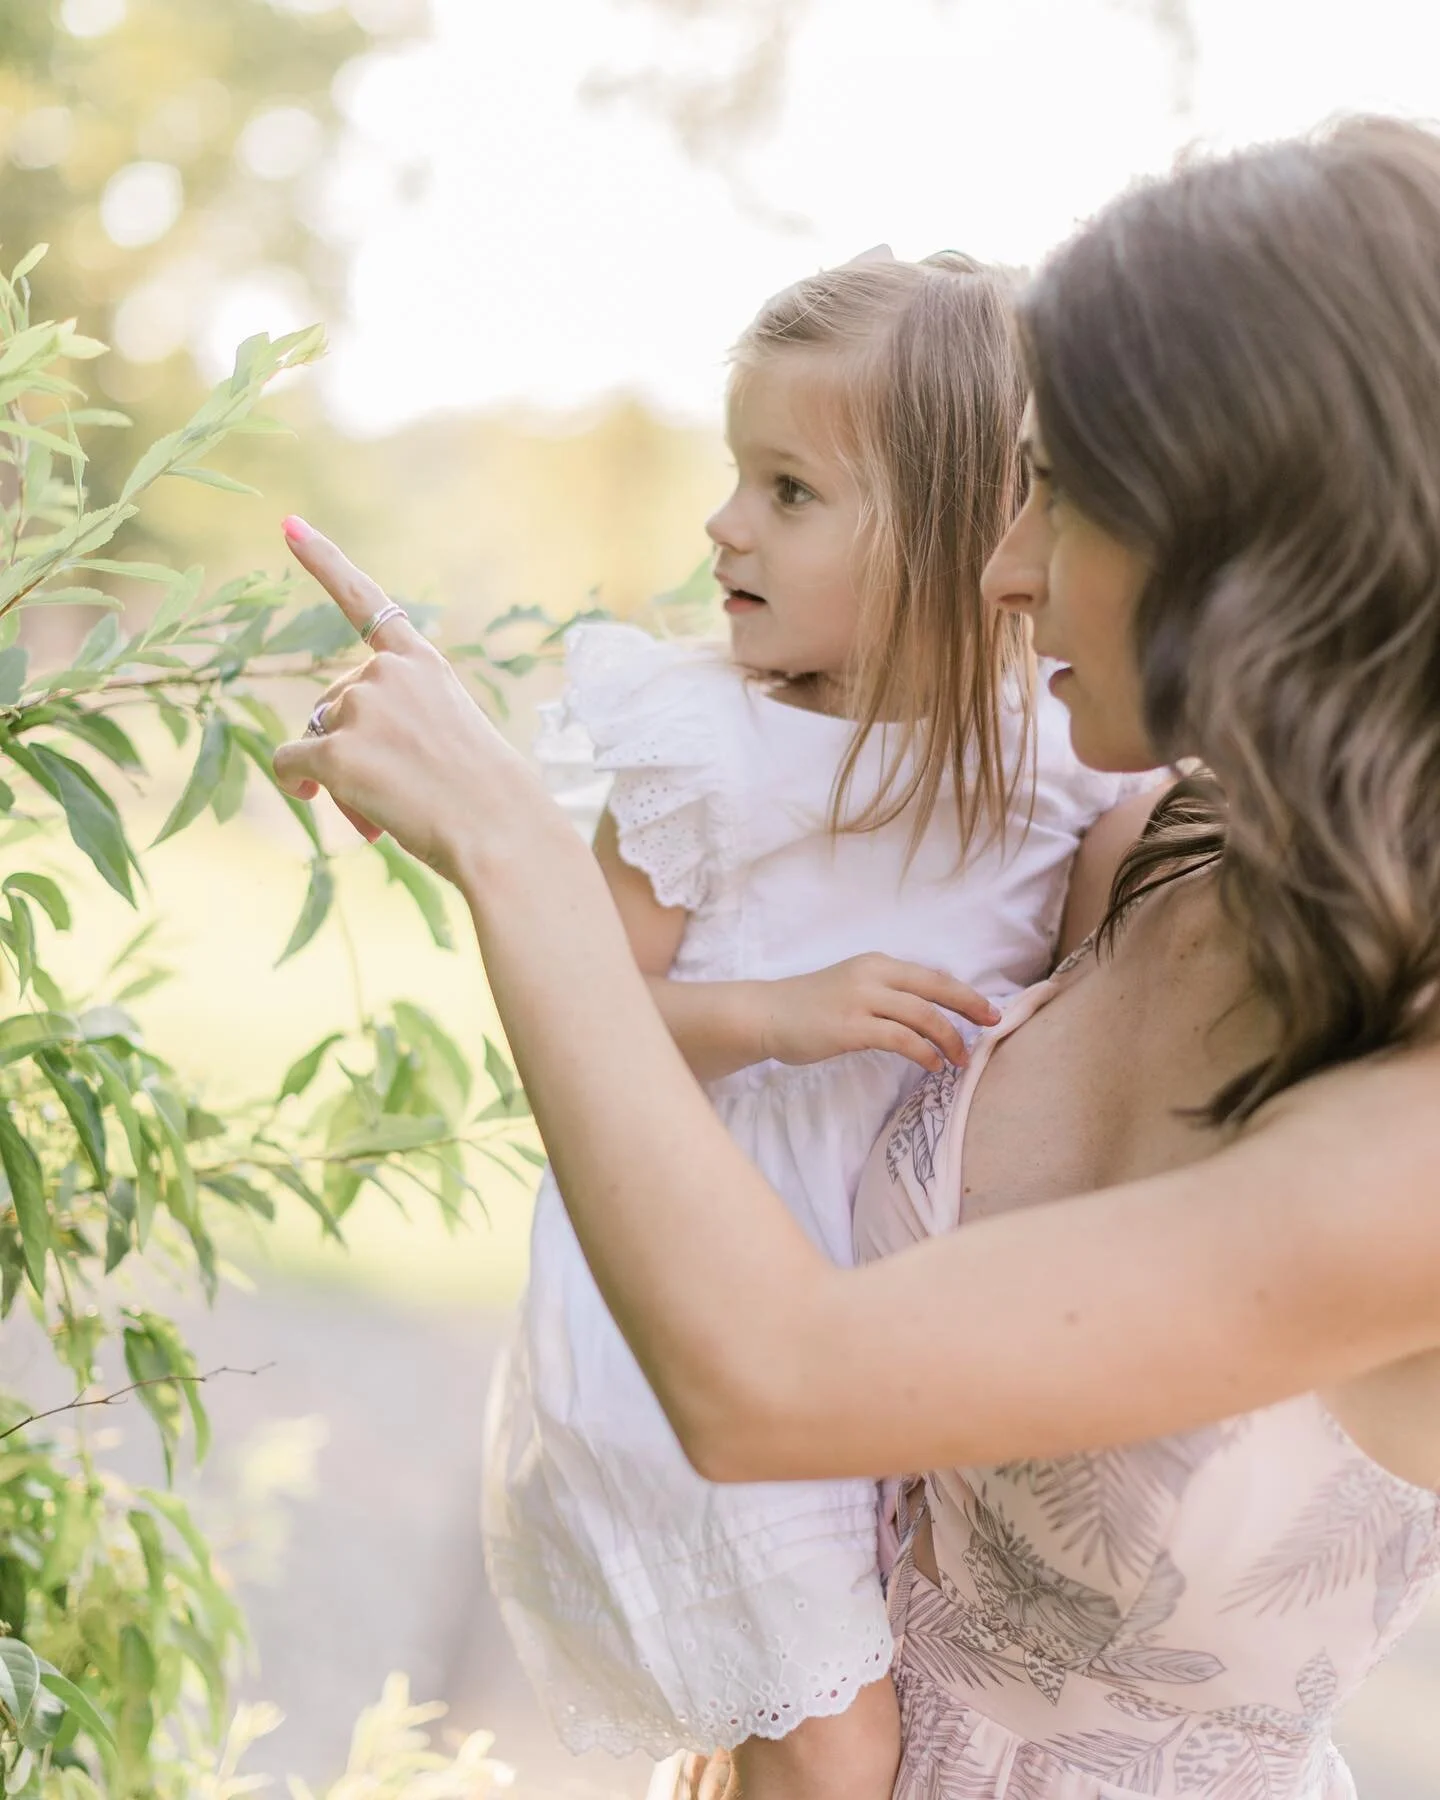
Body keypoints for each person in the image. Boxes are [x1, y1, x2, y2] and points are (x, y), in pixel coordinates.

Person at [274, 114, 1440, 1800]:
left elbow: (774, 1382)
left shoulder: (1412, 1127)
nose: (1006, 567)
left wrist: (511, 842)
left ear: (1255, 538)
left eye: (1062, 492)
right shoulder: (1145, 856)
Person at [481, 253, 1149, 1800]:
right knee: (839, 1751)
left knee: (804, 1727)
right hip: (690, 1292)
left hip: (897, 1331)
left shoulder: (1055, 750)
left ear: (956, 537)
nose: (724, 525)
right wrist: (775, 1014)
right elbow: (577, 1026)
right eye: (737, 477)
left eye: (788, 490)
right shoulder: (700, 744)